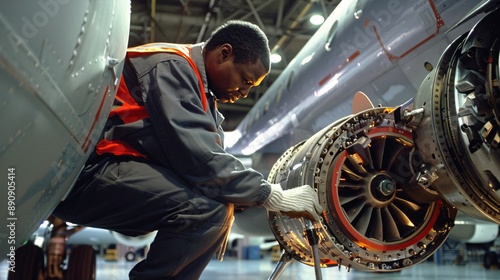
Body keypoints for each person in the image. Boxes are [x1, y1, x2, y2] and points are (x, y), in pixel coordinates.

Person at [52, 20, 322, 279]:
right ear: (223, 54)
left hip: (108, 172)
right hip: (87, 170)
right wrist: (270, 194)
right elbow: (202, 161)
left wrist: (238, 196)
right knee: (203, 210)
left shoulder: (207, 105)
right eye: (246, 80)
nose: (244, 93)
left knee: (215, 205)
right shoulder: (173, 65)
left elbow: (209, 169)